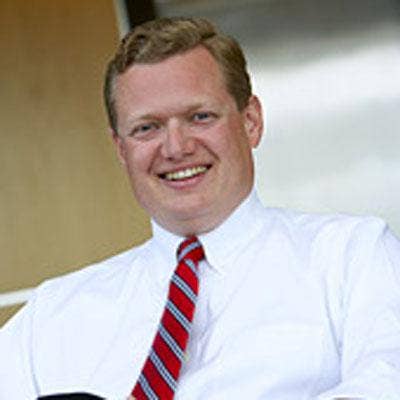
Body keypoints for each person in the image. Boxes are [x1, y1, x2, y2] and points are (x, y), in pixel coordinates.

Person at [1, 17, 400, 400]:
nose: (176, 148)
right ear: (121, 149)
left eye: (200, 117)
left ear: (251, 121)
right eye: (146, 128)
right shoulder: (51, 316)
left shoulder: (353, 256)